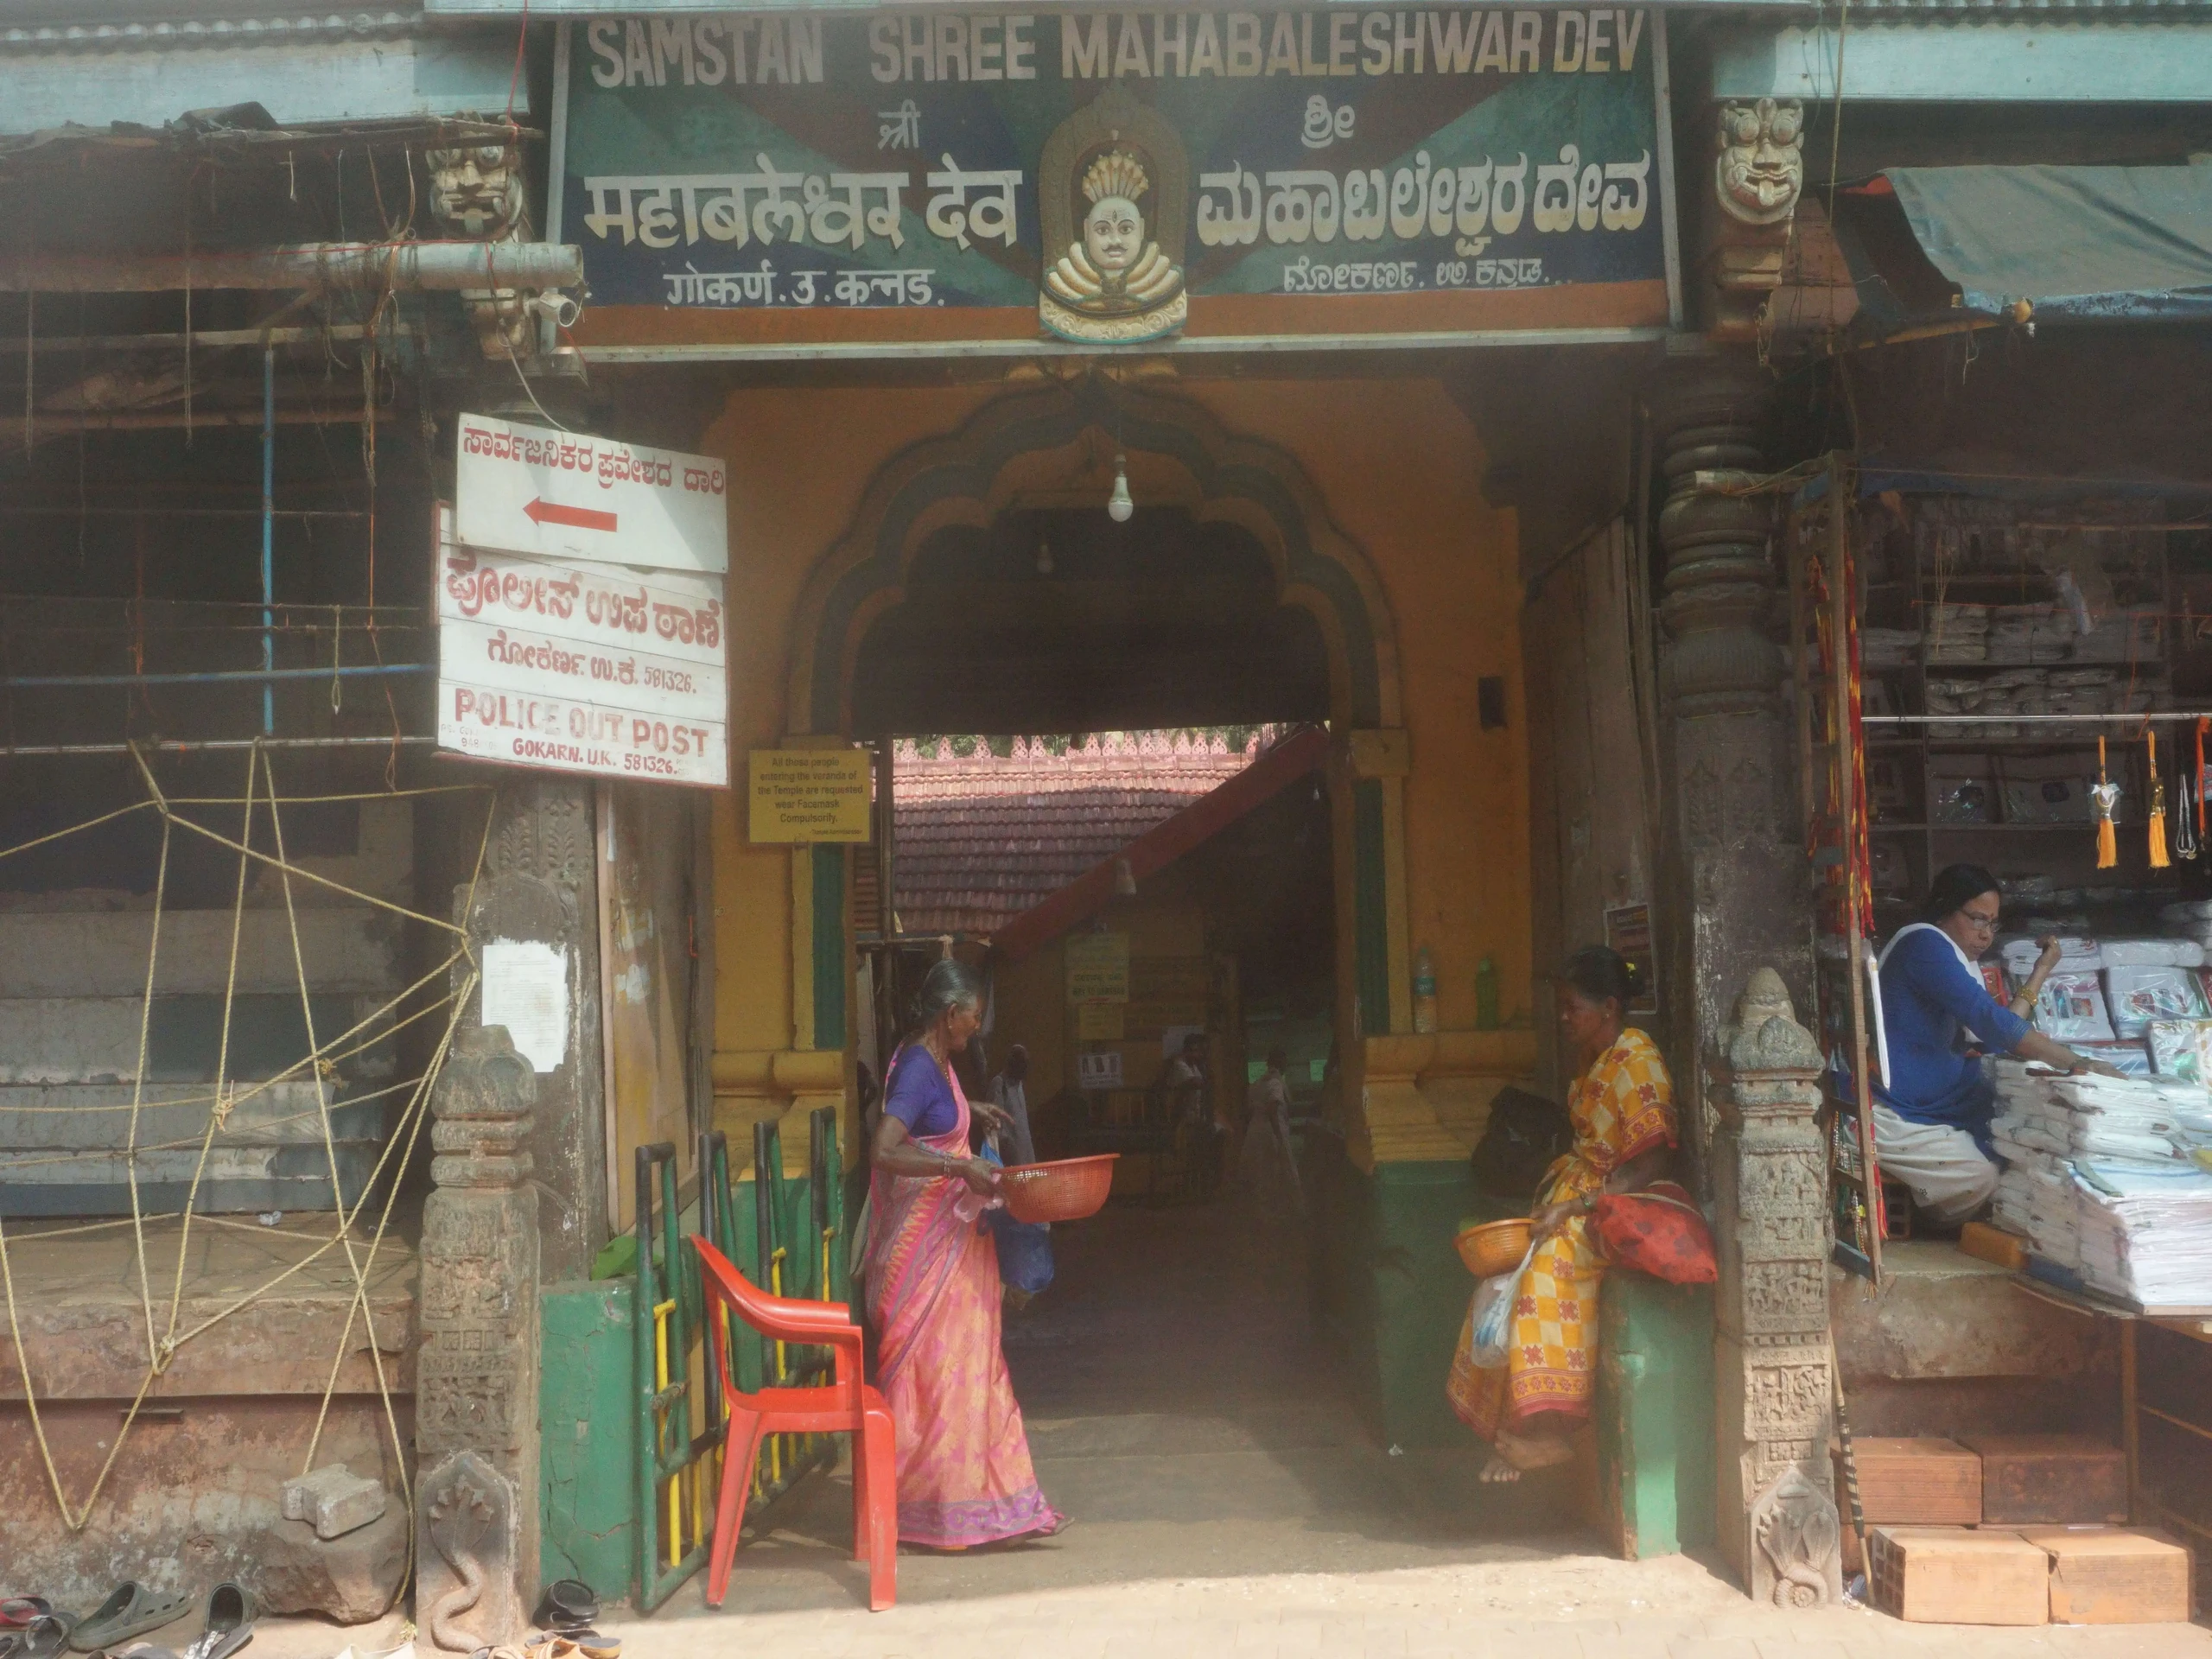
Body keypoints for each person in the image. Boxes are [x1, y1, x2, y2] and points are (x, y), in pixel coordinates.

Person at [1447, 946, 1675, 1484]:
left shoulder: (1637, 1060)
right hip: (1577, 1191)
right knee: (1500, 1279)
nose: (1564, 1017)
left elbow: (1651, 1161)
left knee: (1541, 1279)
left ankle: (1553, 1438)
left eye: (1573, 1007)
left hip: (1615, 1202)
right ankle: (1516, 1430)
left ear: (1610, 1008)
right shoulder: (1597, 1061)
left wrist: (1575, 1207)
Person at [863, 958, 1063, 1548]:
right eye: (972, 1023)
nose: (976, 1033)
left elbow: (927, 1117)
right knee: (937, 1377)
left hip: (949, 1249)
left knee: (968, 1371)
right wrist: (958, 1164)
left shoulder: (929, 1059)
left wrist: (968, 1112)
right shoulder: (921, 1070)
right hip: (927, 1255)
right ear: (950, 1016)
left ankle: (982, 1501)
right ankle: (932, 1508)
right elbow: (885, 1146)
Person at [1874, 864, 2126, 1227]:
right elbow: (1993, 1024)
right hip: (1898, 1103)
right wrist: (2076, 1061)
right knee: (1984, 1175)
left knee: (2020, 1133)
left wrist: (2040, 971)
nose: (1986, 935)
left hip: (1939, 1095)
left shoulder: (1952, 953)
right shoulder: (1924, 945)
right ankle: (1936, 1226)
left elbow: (1995, 1032)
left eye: (1993, 924)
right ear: (1946, 907)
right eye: (1977, 920)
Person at [1236, 1046, 1305, 1217]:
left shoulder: (1257, 1084)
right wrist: (1279, 1136)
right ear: (1282, 1064)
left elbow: (1247, 1110)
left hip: (1255, 1130)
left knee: (1261, 1171)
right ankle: (1297, 1209)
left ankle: (1262, 1212)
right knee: (1287, 1169)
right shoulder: (1275, 1083)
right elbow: (1273, 1109)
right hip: (1272, 1130)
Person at [987, 1043, 1038, 1168]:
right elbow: (996, 1124)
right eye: (1022, 1064)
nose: (1026, 1069)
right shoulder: (999, 1083)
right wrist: (1009, 1151)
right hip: (1011, 1154)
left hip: (1026, 1150)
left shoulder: (1019, 1084)